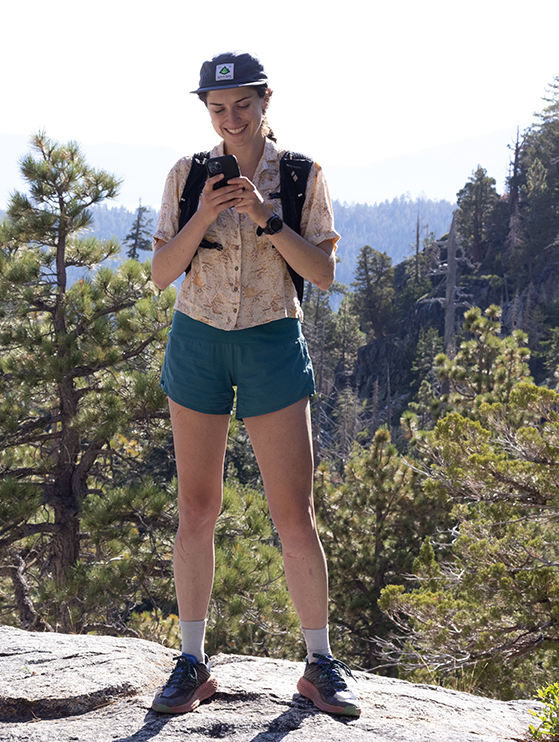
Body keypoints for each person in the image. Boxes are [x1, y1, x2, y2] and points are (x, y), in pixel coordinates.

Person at [146, 51, 360, 718]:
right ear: (205, 109)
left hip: (271, 339)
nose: (231, 118)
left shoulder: (300, 175)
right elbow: (160, 273)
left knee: (295, 514)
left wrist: (268, 217)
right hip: (198, 340)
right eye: (218, 107)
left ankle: (320, 664)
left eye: (243, 104)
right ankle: (191, 662)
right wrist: (203, 217)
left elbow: (321, 274)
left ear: (266, 100)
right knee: (196, 510)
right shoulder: (187, 175)